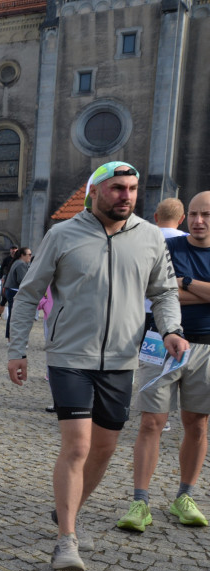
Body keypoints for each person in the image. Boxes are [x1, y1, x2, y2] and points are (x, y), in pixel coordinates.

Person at [7, 161, 187, 571]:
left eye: (132, 189)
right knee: (78, 446)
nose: (126, 196)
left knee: (104, 449)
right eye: (117, 188)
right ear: (95, 192)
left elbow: (163, 292)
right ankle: (66, 539)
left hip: (121, 360)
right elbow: (29, 294)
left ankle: (66, 508)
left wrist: (172, 329)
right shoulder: (63, 234)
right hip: (70, 357)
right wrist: (18, 349)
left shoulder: (149, 238)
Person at [117, 191, 210, 533]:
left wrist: (183, 283)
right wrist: (198, 289)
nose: (200, 221)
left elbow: (172, 289)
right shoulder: (170, 247)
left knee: (197, 425)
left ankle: (184, 497)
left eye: (207, 215)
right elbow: (154, 290)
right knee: (151, 423)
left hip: (206, 348)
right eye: (195, 214)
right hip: (160, 343)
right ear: (186, 217)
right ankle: (140, 501)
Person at [2, 246, 32, 340]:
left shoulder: (16, 262)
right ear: (22, 255)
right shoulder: (21, 264)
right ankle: (13, 338)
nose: (30, 256)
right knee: (16, 316)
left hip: (10, 290)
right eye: (29, 254)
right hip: (15, 291)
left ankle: (10, 337)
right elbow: (22, 280)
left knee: (13, 315)